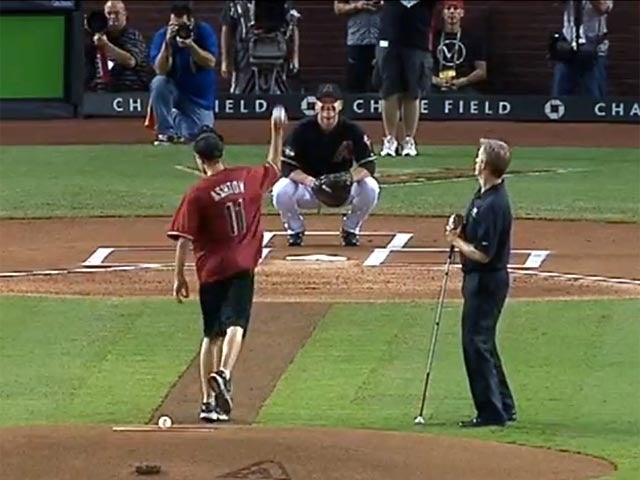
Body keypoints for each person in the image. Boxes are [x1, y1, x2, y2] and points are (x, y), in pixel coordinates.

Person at [167, 107, 287, 422]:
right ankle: (225, 372)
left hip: (210, 273)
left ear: (198, 158)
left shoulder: (197, 193)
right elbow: (274, 165)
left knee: (211, 335)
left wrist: (178, 277)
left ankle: (208, 403)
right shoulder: (247, 178)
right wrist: (276, 133)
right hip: (242, 267)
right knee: (237, 325)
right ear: (222, 153)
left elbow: (183, 238)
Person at [445, 138, 516, 428]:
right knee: (484, 343)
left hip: (486, 282)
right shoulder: (483, 195)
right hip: (480, 281)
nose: (475, 160)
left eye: (478, 157)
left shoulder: (493, 204)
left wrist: (455, 240)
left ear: (485, 165)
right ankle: (504, 405)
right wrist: (462, 228)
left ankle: (491, 412)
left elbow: (484, 254)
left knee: (476, 344)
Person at [272, 83, 379, 247]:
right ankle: (295, 230)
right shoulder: (302, 130)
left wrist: (349, 177)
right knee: (281, 189)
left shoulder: (352, 130)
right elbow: (287, 167)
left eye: (332, 103)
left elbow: (369, 165)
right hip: (308, 189)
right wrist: (311, 181)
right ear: (316, 105)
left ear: (340, 105)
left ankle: (351, 229)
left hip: (341, 189)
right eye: (323, 103)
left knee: (370, 187)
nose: (327, 108)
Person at [147, 3, 219, 146]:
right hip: (173, 92)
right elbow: (160, 70)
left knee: (196, 136)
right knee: (159, 82)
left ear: (191, 22)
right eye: (175, 25)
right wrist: (167, 44)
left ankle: (174, 119)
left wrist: (191, 45)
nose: (179, 30)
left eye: (183, 26)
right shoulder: (162, 35)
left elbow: (210, 62)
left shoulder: (203, 32)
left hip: (197, 99)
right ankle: (165, 133)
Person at [376, 0, 437, 157]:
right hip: (389, 39)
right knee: (389, 92)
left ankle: (408, 140)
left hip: (417, 41)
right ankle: (390, 139)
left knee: (412, 93)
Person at [221, 0, 300, 94]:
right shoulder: (235, 3)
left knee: (277, 93)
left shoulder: (285, 3)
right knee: (241, 92)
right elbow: (227, 28)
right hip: (244, 57)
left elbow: (293, 26)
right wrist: (225, 60)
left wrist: (294, 58)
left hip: (277, 54)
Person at [550, 0, 613, 99]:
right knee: (560, 97)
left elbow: (603, 8)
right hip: (568, 48)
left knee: (593, 96)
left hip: (594, 50)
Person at [84, 0, 150, 92]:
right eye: (109, 13)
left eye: (117, 13)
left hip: (131, 89)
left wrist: (106, 45)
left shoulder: (132, 35)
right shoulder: (97, 36)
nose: (113, 17)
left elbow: (130, 61)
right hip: (101, 92)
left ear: (124, 15)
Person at [432, 0, 487, 94]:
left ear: (462, 13)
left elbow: (482, 71)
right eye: (448, 8)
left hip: (463, 87)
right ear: (443, 13)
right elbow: (421, 67)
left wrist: (464, 81)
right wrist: (436, 81)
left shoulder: (473, 38)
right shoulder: (433, 38)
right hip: (437, 86)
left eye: (456, 8)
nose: (452, 12)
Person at [334, 0, 382, 93]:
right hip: (357, 41)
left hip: (382, 41)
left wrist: (384, 5)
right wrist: (356, 6)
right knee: (355, 84)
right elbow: (338, 8)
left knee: (381, 84)